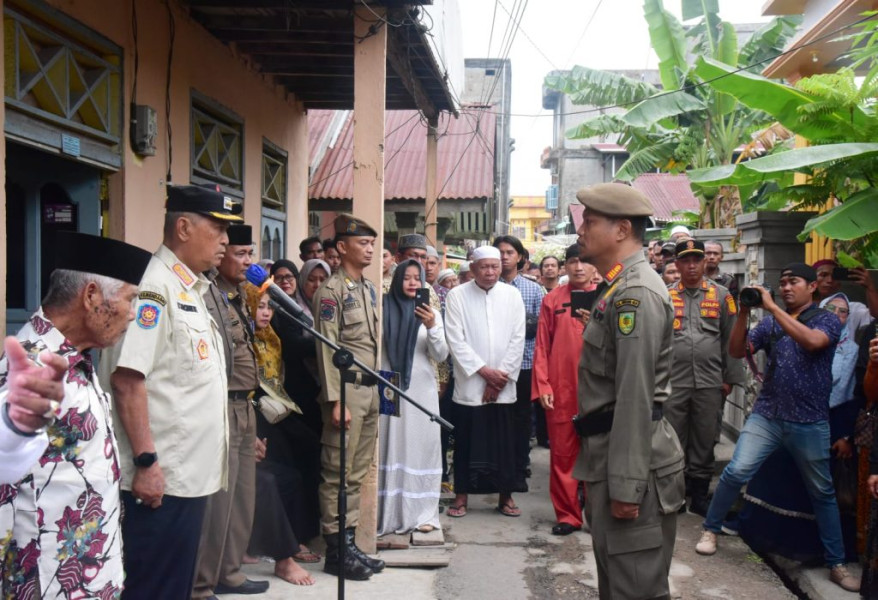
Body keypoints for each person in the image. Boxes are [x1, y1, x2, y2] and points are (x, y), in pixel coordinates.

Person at [102, 184, 242, 599]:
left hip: (188, 477)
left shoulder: (190, 287)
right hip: (161, 478)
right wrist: (146, 462)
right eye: (217, 228)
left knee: (174, 586)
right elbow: (127, 379)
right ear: (183, 228)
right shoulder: (154, 288)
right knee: (155, 587)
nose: (226, 240)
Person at [0, 232, 150, 599]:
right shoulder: (31, 365)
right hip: (47, 581)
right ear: (92, 296)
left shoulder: (75, 358)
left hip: (88, 573)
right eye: (130, 298)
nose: (133, 313)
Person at [696, 262, 860, 593]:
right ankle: (710, 529)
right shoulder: (770, 323)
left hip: (810, 420)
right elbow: (737, 350)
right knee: (736, 471)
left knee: (822, 492)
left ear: (811, 287)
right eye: (782, 282)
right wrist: (744, 313)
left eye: (793, 282)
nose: (785, 287)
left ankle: (837, 564)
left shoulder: (826, 318)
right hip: (768, 414)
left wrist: (771, 307)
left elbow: (813, 342)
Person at [574, 183, 685, 600]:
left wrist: (626, 485)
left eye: (589, 221)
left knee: (634, 588)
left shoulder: (635, 293)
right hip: (611, 454)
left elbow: (636, 397)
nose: (581, 230)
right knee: (619, 582)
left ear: (621, 229)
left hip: (632, 463)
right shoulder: (619, 286)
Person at [194, 224, 269, 598]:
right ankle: (202, 582)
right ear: (221, 256)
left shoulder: (239, 295)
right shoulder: (207, 295)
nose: (247, 262)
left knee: (242, 497)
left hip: (244, 404)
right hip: (221, 403)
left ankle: (230, 570)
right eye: (240, 254)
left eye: (250, 254)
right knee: (219, 500)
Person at [313, 214, 384, 580]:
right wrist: (335, 400)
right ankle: (336, 551)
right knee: (337, 471)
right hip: (346, 391)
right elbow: (326, 348)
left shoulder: (368, 289)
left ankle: (350, 543)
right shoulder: (331, 292)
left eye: (372, 244)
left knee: (355, 473)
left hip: (369, 389)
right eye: (362, 243)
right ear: (342, 247)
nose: (369, 249)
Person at [444, 246, 526, 518]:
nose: (490, 272)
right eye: (484, 267)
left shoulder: (512, 295)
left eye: (495, 266)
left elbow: (518, 339)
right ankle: (461, 497)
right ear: (473, 268)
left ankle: (505, 497)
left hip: (503, 385)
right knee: (466, 442)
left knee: (505, 443)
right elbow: (455, 340)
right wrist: (484, 372)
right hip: (471, 385)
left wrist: (498, 378)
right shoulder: (457, 295)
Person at [243, 289, 318, 585]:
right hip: (248, 415)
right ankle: (277, 549)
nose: (265, 312)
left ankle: (291, 540)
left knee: (299, 463)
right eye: (259, 306)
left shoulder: (271, 337)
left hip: (273, 411)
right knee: (273, 478)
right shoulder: (242, 338)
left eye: (268, 307)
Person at [664, 239, 744, 516]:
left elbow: (732, 338)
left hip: (710, 381)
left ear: (704, 262)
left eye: (696, 260)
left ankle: (699, 495)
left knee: (705, 437)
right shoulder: (664, 295)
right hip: (673, 382)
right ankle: (674, 495)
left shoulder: (722, 296)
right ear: (677, 264)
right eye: (685, 260)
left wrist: (729, 378)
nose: (691, 266)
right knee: (672, 439)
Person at [378, 259, 448, 534]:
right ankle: (388, 515)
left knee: (421, 447)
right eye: (406, 277)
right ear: (397, 280)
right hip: (388, 385)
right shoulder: (382, 308)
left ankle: (422, 514)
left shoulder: (431, 313)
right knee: (390, 444)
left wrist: (431, 326)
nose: (411, 283)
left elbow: (440, 354)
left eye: (416, 278)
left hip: (421, 390)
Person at [532, 243, 598, 536]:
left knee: (597, 454)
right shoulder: (553, 299)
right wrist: (542, 384)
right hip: (561, 389)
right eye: (572, 261)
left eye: (584, 261)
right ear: (564, 267)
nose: (579, 267)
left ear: (595, 266)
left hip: (598, 390)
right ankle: (569, 515)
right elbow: (542, 346)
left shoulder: (608, 297)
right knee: (562, 454)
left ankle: (597, 515)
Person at [265, 258, 325, 542]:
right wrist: (324, 343)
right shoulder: (274, 310)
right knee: (298, 464)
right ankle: (297, 534)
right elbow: (290, 347)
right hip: (283, 399)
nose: (286, 282)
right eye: (279, 277)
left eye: (290, 276)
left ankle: (310, 527)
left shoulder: (304, 308)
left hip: (313, 395)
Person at [494, 235, 546, 478]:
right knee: (496, 415)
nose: (504, 257)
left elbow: (539, 327)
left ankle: (520, 461)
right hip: (493, 363)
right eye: (500, 252)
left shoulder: (533, 289)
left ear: (520, 257)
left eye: (509, 252)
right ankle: (496, 462)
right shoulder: (485, 286)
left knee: (522, 415)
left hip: (525, 362)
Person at [813, 258, 878, 333]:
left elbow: (876, 315)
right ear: (812, 280)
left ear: (839, 284)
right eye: (823, 275)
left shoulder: (852, 308)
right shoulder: (804, 306)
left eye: (835, 277)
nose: (830, 280)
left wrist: (870, 287)